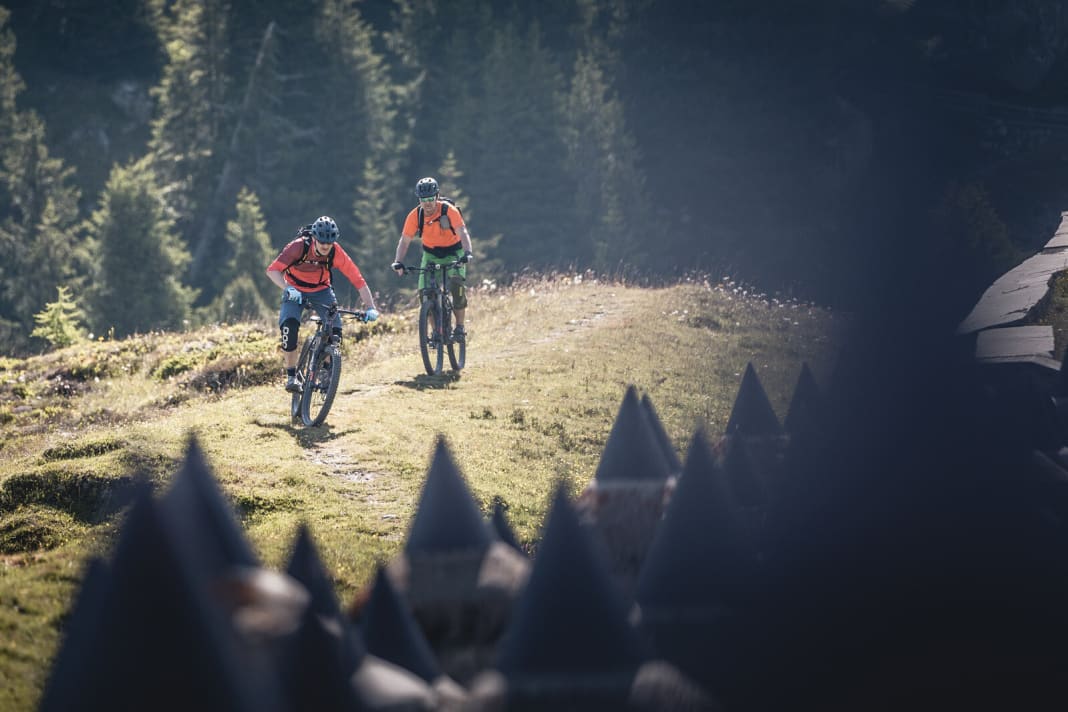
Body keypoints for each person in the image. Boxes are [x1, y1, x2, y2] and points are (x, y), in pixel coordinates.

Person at [266, 215, 379, 393]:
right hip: (294, 289)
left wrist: (371, 307)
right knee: (289, 327)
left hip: (321, 290)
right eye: (322, 242)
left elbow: (358, 280)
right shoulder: (298, 247)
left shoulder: (336, 251)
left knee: (335, 331)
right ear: (314, 238)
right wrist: (288, 288)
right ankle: (291, 376)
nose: (326, 246)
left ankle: (326, 373)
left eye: (330, 242)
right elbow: (272, 271)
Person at [391, 177, 473, 342]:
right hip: (431, 255)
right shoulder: (415, 216)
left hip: (453, 252)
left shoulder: (449, 210)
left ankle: (459, 327)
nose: (427, 203)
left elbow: (462, 232)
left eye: (430, 199)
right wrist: (398, 261)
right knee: (424, 294)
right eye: (423, 200)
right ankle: (436, 331)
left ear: (437, 196)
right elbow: (405, 240)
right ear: (419, 199)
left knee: (457, 286)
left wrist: (467, 252)